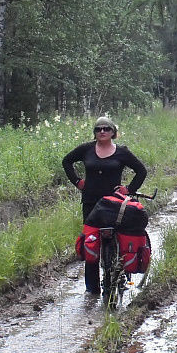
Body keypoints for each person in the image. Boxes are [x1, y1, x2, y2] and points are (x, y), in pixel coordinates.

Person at [62, 116, 147, 294]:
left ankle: (119, 272)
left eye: (106, 129)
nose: (102, 132)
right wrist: (77, 181)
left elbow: (141, 171)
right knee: (91, 243)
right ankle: (92, 289)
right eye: (98, 129)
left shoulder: (122, 152)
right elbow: (66, 161)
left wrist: (129, 189)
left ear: (113, 132)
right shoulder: (86, 149)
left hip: (114, 204)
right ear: (94, 132)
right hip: (91, 203)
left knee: (116, 238)